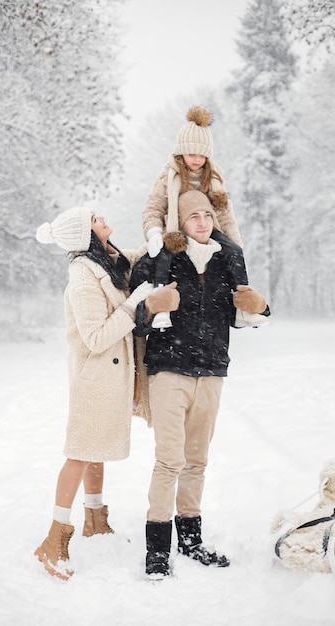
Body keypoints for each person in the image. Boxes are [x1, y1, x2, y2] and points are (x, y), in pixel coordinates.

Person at [33, 206, 179, 580]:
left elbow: (139, 258)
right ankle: (54, 537)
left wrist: (164, 242)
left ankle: (95, 519)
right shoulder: (82, 277)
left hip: (110, 377)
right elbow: (96, 337)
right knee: (80, 452)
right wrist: (133, 305)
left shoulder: (109, 263)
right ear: (86, 234)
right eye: (95, 219)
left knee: (94, 449)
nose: (103, 220)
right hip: (93, 378)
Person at [130, 190, 270, 579]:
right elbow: (134, 315)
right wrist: (152, 306)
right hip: (169, 370)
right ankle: (157, 550)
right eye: (194, 216)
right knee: (169, 460)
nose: (203, 222)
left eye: (208, 215)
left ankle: (191, 542)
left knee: (197, 461)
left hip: (211, 371)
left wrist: (261, 306)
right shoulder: (159, 260)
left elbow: (248, 309)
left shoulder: (228, 260)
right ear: (181, 220)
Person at [142, 104, 243, 329]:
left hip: (208, 228)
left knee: (235, 252)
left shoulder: (214, 177)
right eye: (191, 154)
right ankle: (161, 304)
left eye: (202, 155)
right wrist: (154, 231)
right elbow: (153, 207)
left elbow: (225, 214)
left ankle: (243, 300)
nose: (197, 159)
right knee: (164, 256)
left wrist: (234, 242)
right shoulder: (168, 176)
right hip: (175, 228)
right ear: (181, 152)